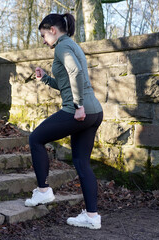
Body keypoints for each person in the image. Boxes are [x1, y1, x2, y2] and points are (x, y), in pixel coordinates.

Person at [24, 13, 104, 230]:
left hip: (79, 111)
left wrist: (78, 106)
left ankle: (43, 191)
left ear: (52, 30)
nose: (43, 40)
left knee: (35, 139)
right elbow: (69, 82)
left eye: (43, 35)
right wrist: (46, 79)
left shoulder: (61, 46)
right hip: (95, 111)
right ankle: (92, 216)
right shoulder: (71, 45)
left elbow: (76, 72)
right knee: (81, 162)